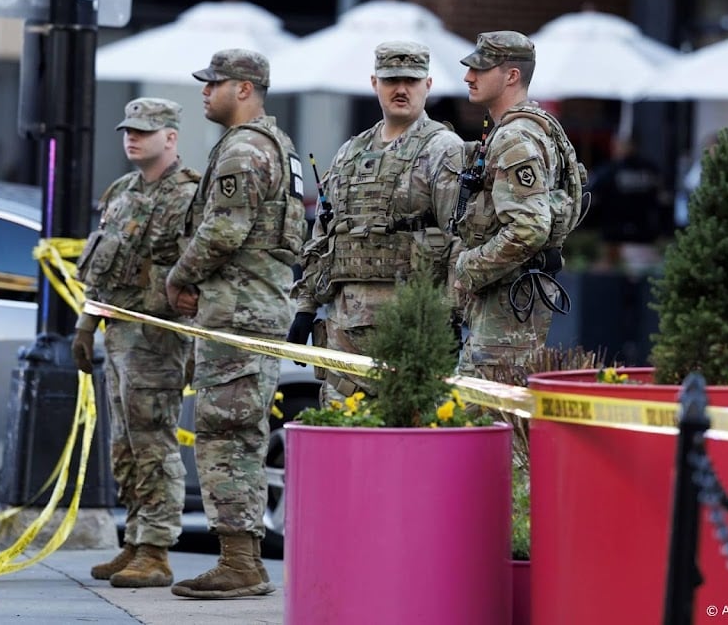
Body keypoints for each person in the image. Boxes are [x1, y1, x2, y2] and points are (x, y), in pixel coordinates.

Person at [164, 49, 306, 599]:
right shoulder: (275, 145)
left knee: (226, 435)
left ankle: (240, 563)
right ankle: (239, 559)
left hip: (239, 312)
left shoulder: (245, 149)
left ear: (244, 89)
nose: (204, 91)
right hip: (252, 308)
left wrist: (179, 276)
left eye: (214, 83)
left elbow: (223, 232)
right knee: (238, 432)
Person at [287, 40, 463, 403]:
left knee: (405, 445)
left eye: (411, 81)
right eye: (391, 80)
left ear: (427, 86)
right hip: (344, 335)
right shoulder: (349, 153)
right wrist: (305, 307)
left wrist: (451, 316)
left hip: (409, 333)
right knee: (342, 442)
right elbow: (323, 235)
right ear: (374, 83)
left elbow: (460, 239)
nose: (401, 89)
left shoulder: (443, 149)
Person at [71, 98, 201, 589]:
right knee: (123, 445)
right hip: (119, 334)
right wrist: (86, 325)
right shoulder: (122, 191)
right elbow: (100, 269)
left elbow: (198, 272)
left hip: (158, 335)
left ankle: (157, 549)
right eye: (129, 130)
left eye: (145, 131)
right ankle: (135, 538)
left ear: (171, 137)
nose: (132, 138)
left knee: (153, 441)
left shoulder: (189, 196)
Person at [453, 31, 579, 380]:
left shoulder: (515, 137)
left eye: (480, 69)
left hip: (506, 310)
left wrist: (468, 267)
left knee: (487, 420)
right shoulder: (529, 129)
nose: (468, 77)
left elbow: (530, 227)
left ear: (512, 76)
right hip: (511, 302)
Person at [587, 134, 667, 271]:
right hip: (642, 230)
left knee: (611, 268)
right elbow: (661, 199)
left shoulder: (608, 170)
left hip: (615, 231)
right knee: (641, 270)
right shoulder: (650, 169)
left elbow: (592, 196)